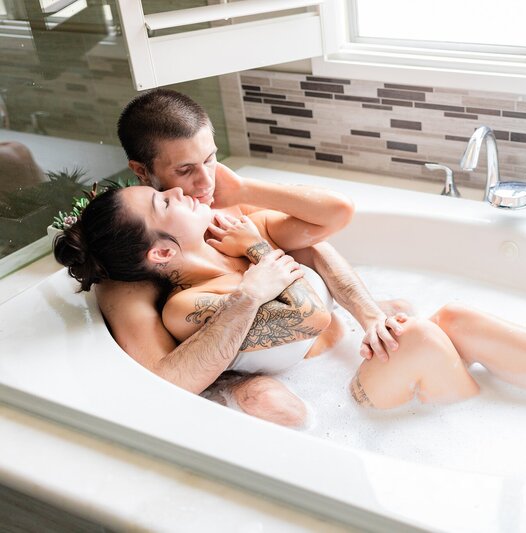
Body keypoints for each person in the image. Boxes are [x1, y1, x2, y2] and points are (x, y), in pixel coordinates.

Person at [55, 184, 526, 447]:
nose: (180, 188)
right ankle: (500, 439)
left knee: (461, 316)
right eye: (162, 198)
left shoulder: (233, 241)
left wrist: (264, 250)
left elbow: (330, 227)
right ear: (162, 248)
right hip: (355, 400)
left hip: (356, 369)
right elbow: (304, 312)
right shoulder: (186, 306)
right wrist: (262, 260)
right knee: (419, 335)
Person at [100, 89, 404, 426]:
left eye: (210, 159)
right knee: (268, 401)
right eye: (185, 170)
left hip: (339, 349)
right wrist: (237, 383)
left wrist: (369, 315)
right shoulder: (133, 276)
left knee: (409, 315)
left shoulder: (226, 208)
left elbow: (319, 240)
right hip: (303, 375)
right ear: (142, 171)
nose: (206, 182)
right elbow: (162, 381)